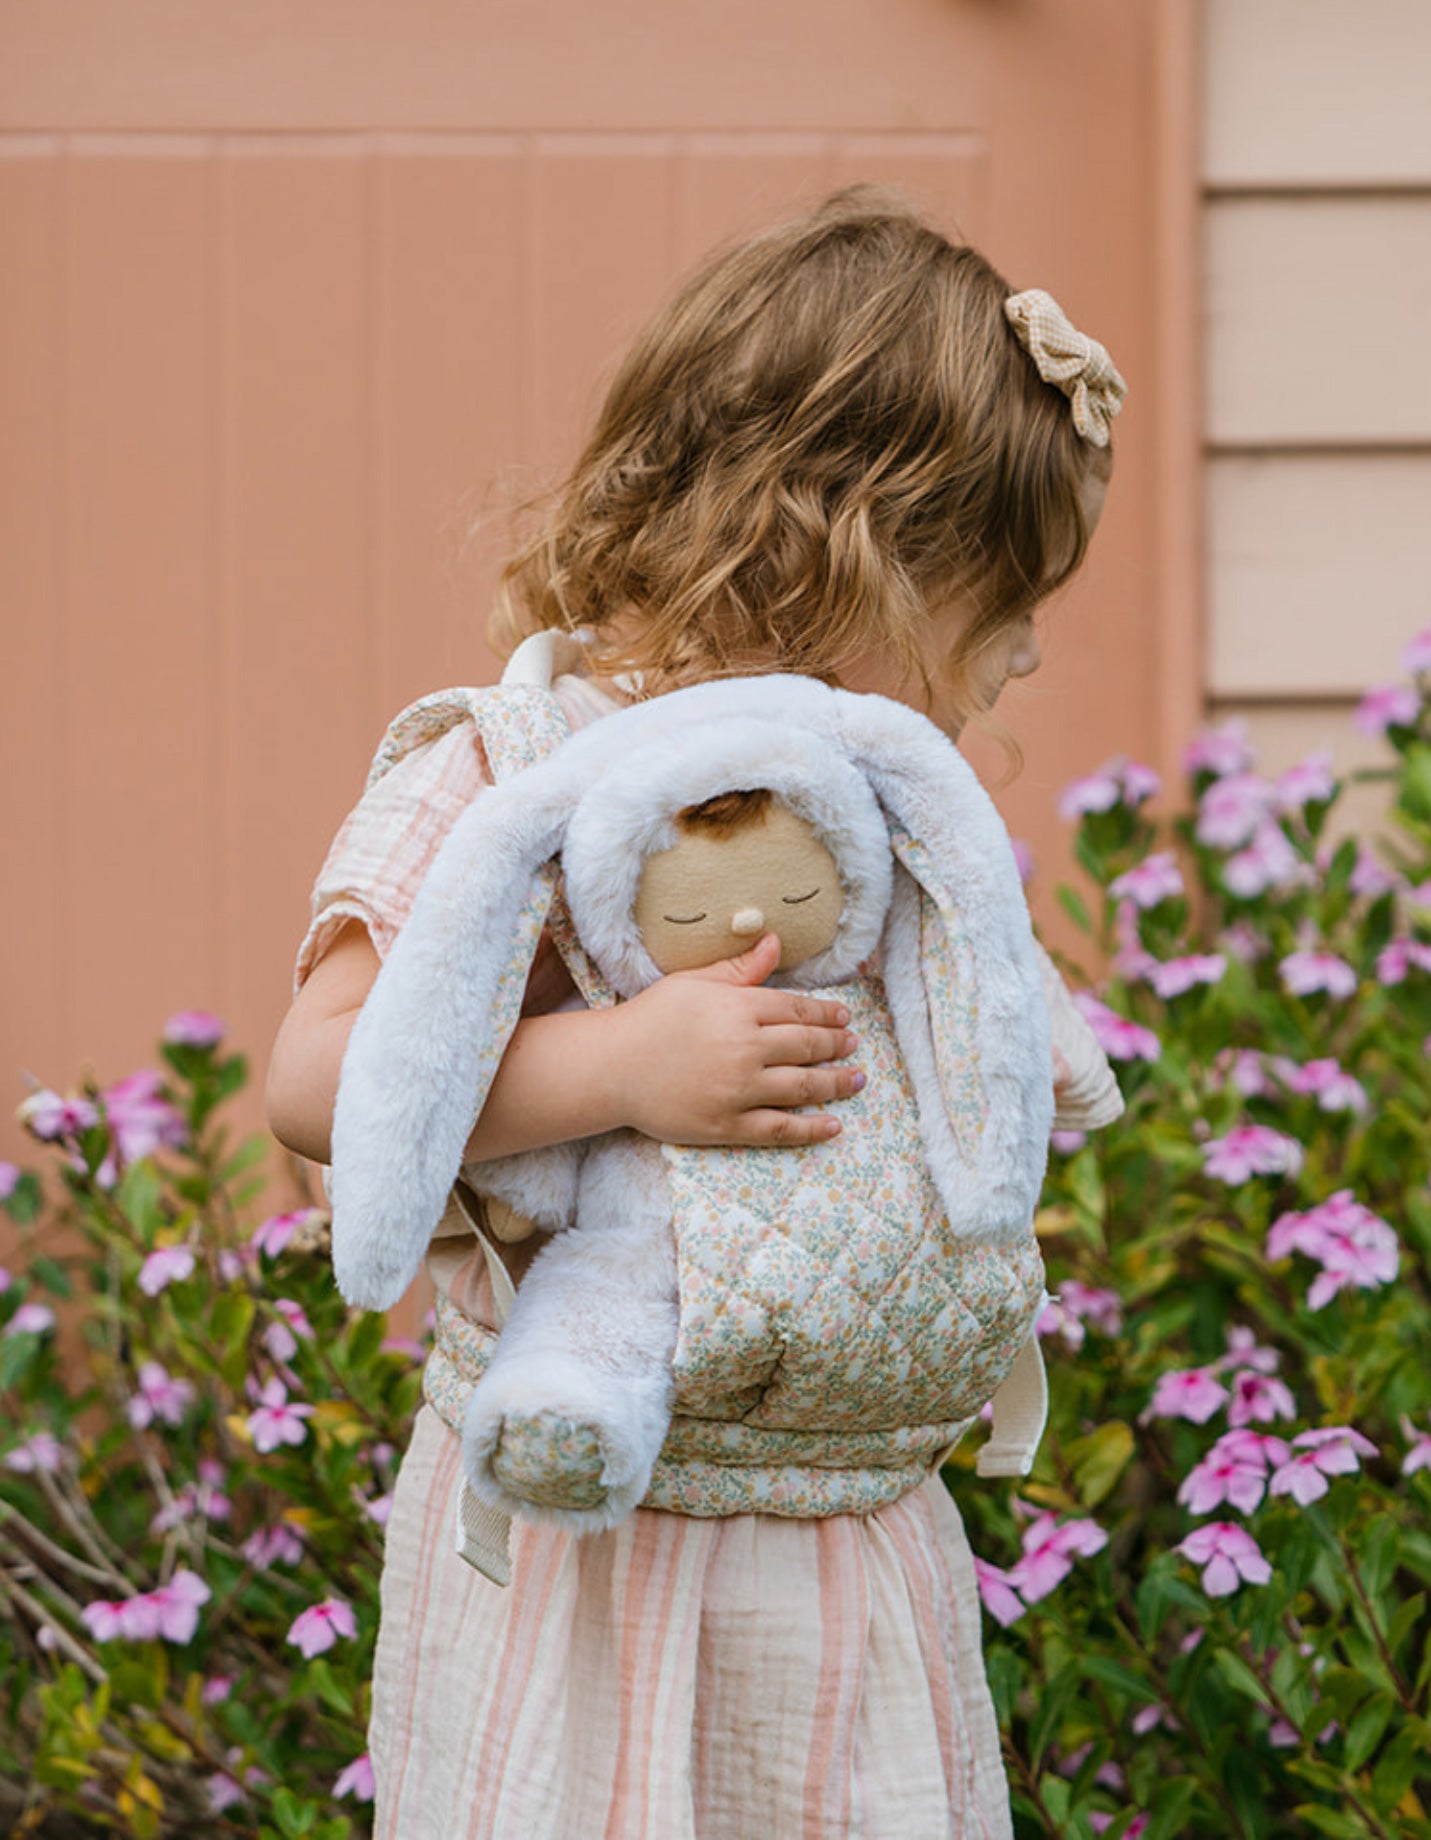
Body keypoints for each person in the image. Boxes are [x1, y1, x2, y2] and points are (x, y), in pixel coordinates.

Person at [266, 185, 1123, 1838]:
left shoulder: (878, 806)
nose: (1020, 655)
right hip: (595, 1536)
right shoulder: (524, 766)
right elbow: (319, 1081)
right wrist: (617, 1065)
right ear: (860, 543)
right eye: (1003, 597)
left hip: (848, 1546)